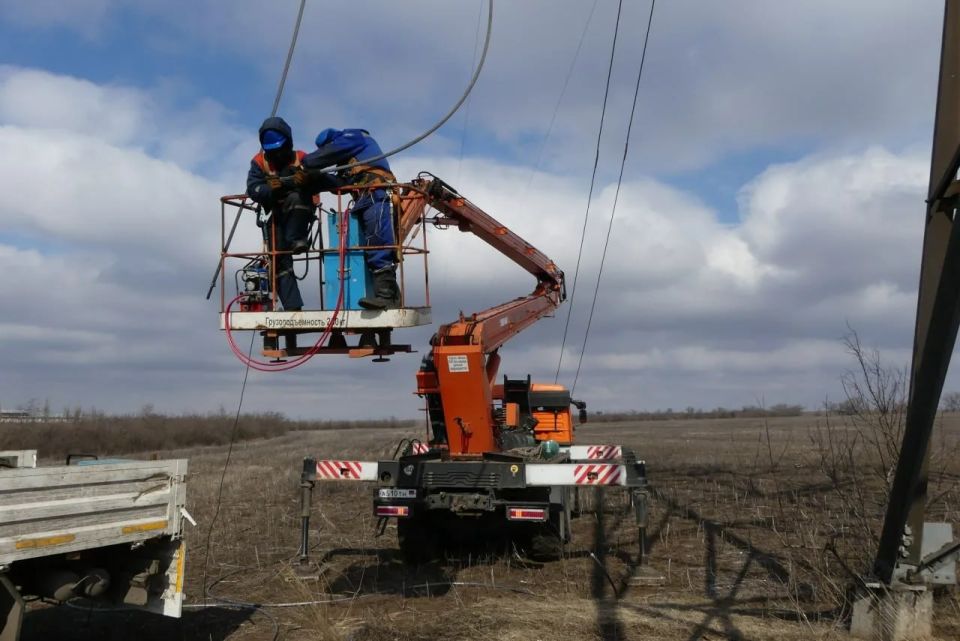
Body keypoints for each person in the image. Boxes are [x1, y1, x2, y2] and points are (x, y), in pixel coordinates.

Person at [303, 128, 400, 309]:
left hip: (376, 194)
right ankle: (388, 294)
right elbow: (342, 184)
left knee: (378, 240)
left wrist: (304, 163)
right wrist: (315, 179)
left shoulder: (354, 137)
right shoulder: (352, 158)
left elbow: (318, 158)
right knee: (367, 243)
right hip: (364, 199)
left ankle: (386, 296)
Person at [246, 116, 313, 313]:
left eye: (280, 149)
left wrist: (307, 179)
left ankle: (297, 239)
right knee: (278, 261)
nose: (276, 154)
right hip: (274, 216)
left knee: (296, 198)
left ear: (288, 143)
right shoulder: (260, 162)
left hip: (299, 213)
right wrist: (270, 190)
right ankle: (293, 307)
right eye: (272, 151)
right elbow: (253, 188)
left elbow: (320, 178)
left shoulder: (302, 158)